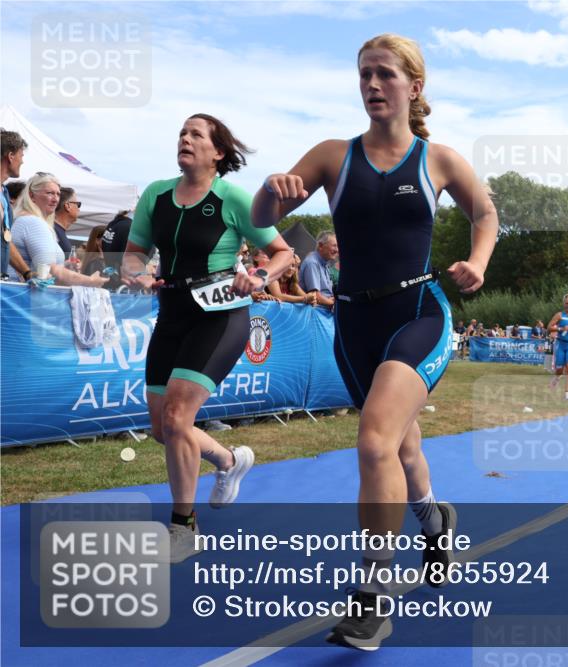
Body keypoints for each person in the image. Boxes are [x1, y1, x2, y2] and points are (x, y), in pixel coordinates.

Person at [250, 34, 498, 651]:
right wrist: (272, 190)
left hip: (418, 313)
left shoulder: (437, 160)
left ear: (414, 87)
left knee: (373, 440)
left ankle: (373, 598)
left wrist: (479, 260)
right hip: (353, 325)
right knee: (401, 449)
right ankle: (434, 521)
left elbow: (486, 214)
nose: (372, 84)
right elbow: (260, 216)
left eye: (385, 74)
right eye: (364, 74)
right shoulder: (334, 155)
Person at [121, 113, 293, 563]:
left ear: (218, 153)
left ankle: (183, 526)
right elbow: (134, 254)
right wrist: (136, 274)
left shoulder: (233, 196)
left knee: (178, 416)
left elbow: (282, 253)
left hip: (221, 314)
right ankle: (229, 460)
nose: (185, 138)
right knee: (162, 429)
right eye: (181, 132)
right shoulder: (155, 195)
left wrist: (256, 275)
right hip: (172, 313)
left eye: (196, 134)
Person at [11, 173, 108, 287]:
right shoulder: (33, 222)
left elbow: (42, 267)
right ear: (31, 196)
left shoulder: (27, 220)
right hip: (26, 298)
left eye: (58, 194)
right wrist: (90, 280)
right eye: (50, 193)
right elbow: (50, 272)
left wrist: (64, 265)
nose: (56, 199)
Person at [1, 129, 34, 281]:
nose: (22, 161)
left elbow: (4, 239)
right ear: (10, 156)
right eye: (21, 155)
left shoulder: (4, 192)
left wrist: (27, 272)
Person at [299, 231, 337, 308]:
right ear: (320, 246)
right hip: (317, 313)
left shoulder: (324, 263)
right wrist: (334, 303)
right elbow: (315, 296)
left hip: (324, 311)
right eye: (334, 246)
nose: (337, 250)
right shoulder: (312, 263)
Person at [53, 186, 81, 258]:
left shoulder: (56, 230)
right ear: (67, 206)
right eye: (78, 204)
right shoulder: (52, 231)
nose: (79, 209)